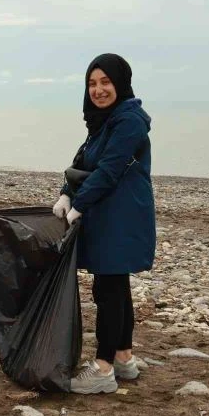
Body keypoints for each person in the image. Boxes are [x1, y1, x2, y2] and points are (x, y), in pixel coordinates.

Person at [52, 53, 156, 394]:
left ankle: (103, 368)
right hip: (107, 213)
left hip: (122, 216)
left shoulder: (129, 122)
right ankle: (123, 358)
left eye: (105, 82)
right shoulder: (104, 122)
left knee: (109, 289)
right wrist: (66, 194)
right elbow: (82, 162)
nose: (98, 90)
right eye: (92, 84)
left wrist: (78, 206)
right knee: (115, 284)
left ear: (121, 83)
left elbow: (109, 170)